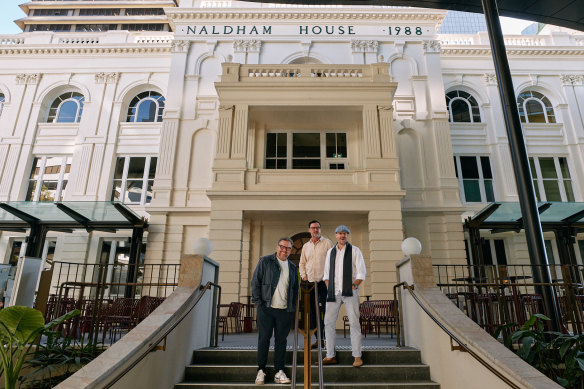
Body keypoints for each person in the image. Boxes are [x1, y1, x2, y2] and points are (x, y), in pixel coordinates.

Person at [251, 237, 299, 385]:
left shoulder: (292, 267)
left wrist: (292, 307)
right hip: (266, 308)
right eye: (282, 247)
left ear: (291, 250)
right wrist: (259, 302)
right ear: (277, 247)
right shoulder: (265, 261)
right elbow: (255, 282)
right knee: (264, 339)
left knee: (281, 341)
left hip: (284, 310)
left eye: (288, 248)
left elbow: (295, 289)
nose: (284, 250)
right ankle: (261, 371)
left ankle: (279, 371)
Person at [322, 225, 366, 367]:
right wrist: (329, 287)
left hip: (350, 291)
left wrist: (354, 286)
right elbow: (326, 273)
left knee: (354, 323)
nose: (342, 236)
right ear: (336, 235)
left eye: (345, 234)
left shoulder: (354, 250)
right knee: (328, 323)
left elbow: (361, 272)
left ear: (347, 236)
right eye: (340, 233)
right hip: (333, 292)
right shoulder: (330, 252)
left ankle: (357, 356)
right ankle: (330, 355)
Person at [299, 220, 333, 349]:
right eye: (313, 228)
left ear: (320, 229)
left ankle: (327, 340)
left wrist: (329, 278)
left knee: (327, 310)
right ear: (309, 230)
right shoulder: (306, 246)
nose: (316, 230)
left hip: (324, 282)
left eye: (318, 228)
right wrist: (304, 276)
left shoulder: (327, 243)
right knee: (313, 312)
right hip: (310, 284)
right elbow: (302, 263)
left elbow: (333, 261)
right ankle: (318, 339)